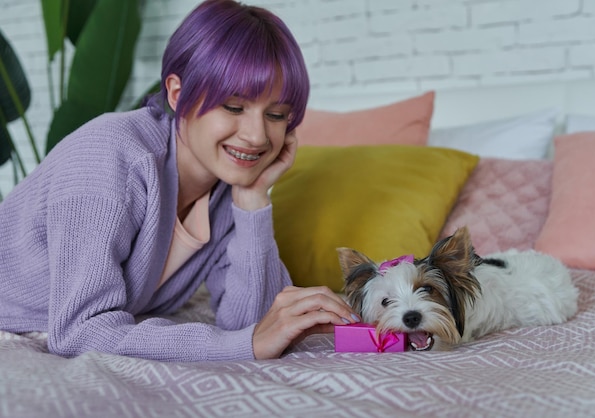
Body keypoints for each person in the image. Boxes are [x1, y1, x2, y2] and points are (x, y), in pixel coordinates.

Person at [0, 0, 359, 362]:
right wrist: (237, 345)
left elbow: (254, 325)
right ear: (177, 94)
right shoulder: (110, 157)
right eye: (233, 107)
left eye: (277, 114)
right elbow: (79, 331)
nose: (257, 136)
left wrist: (253, 197)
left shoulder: (226, 187)